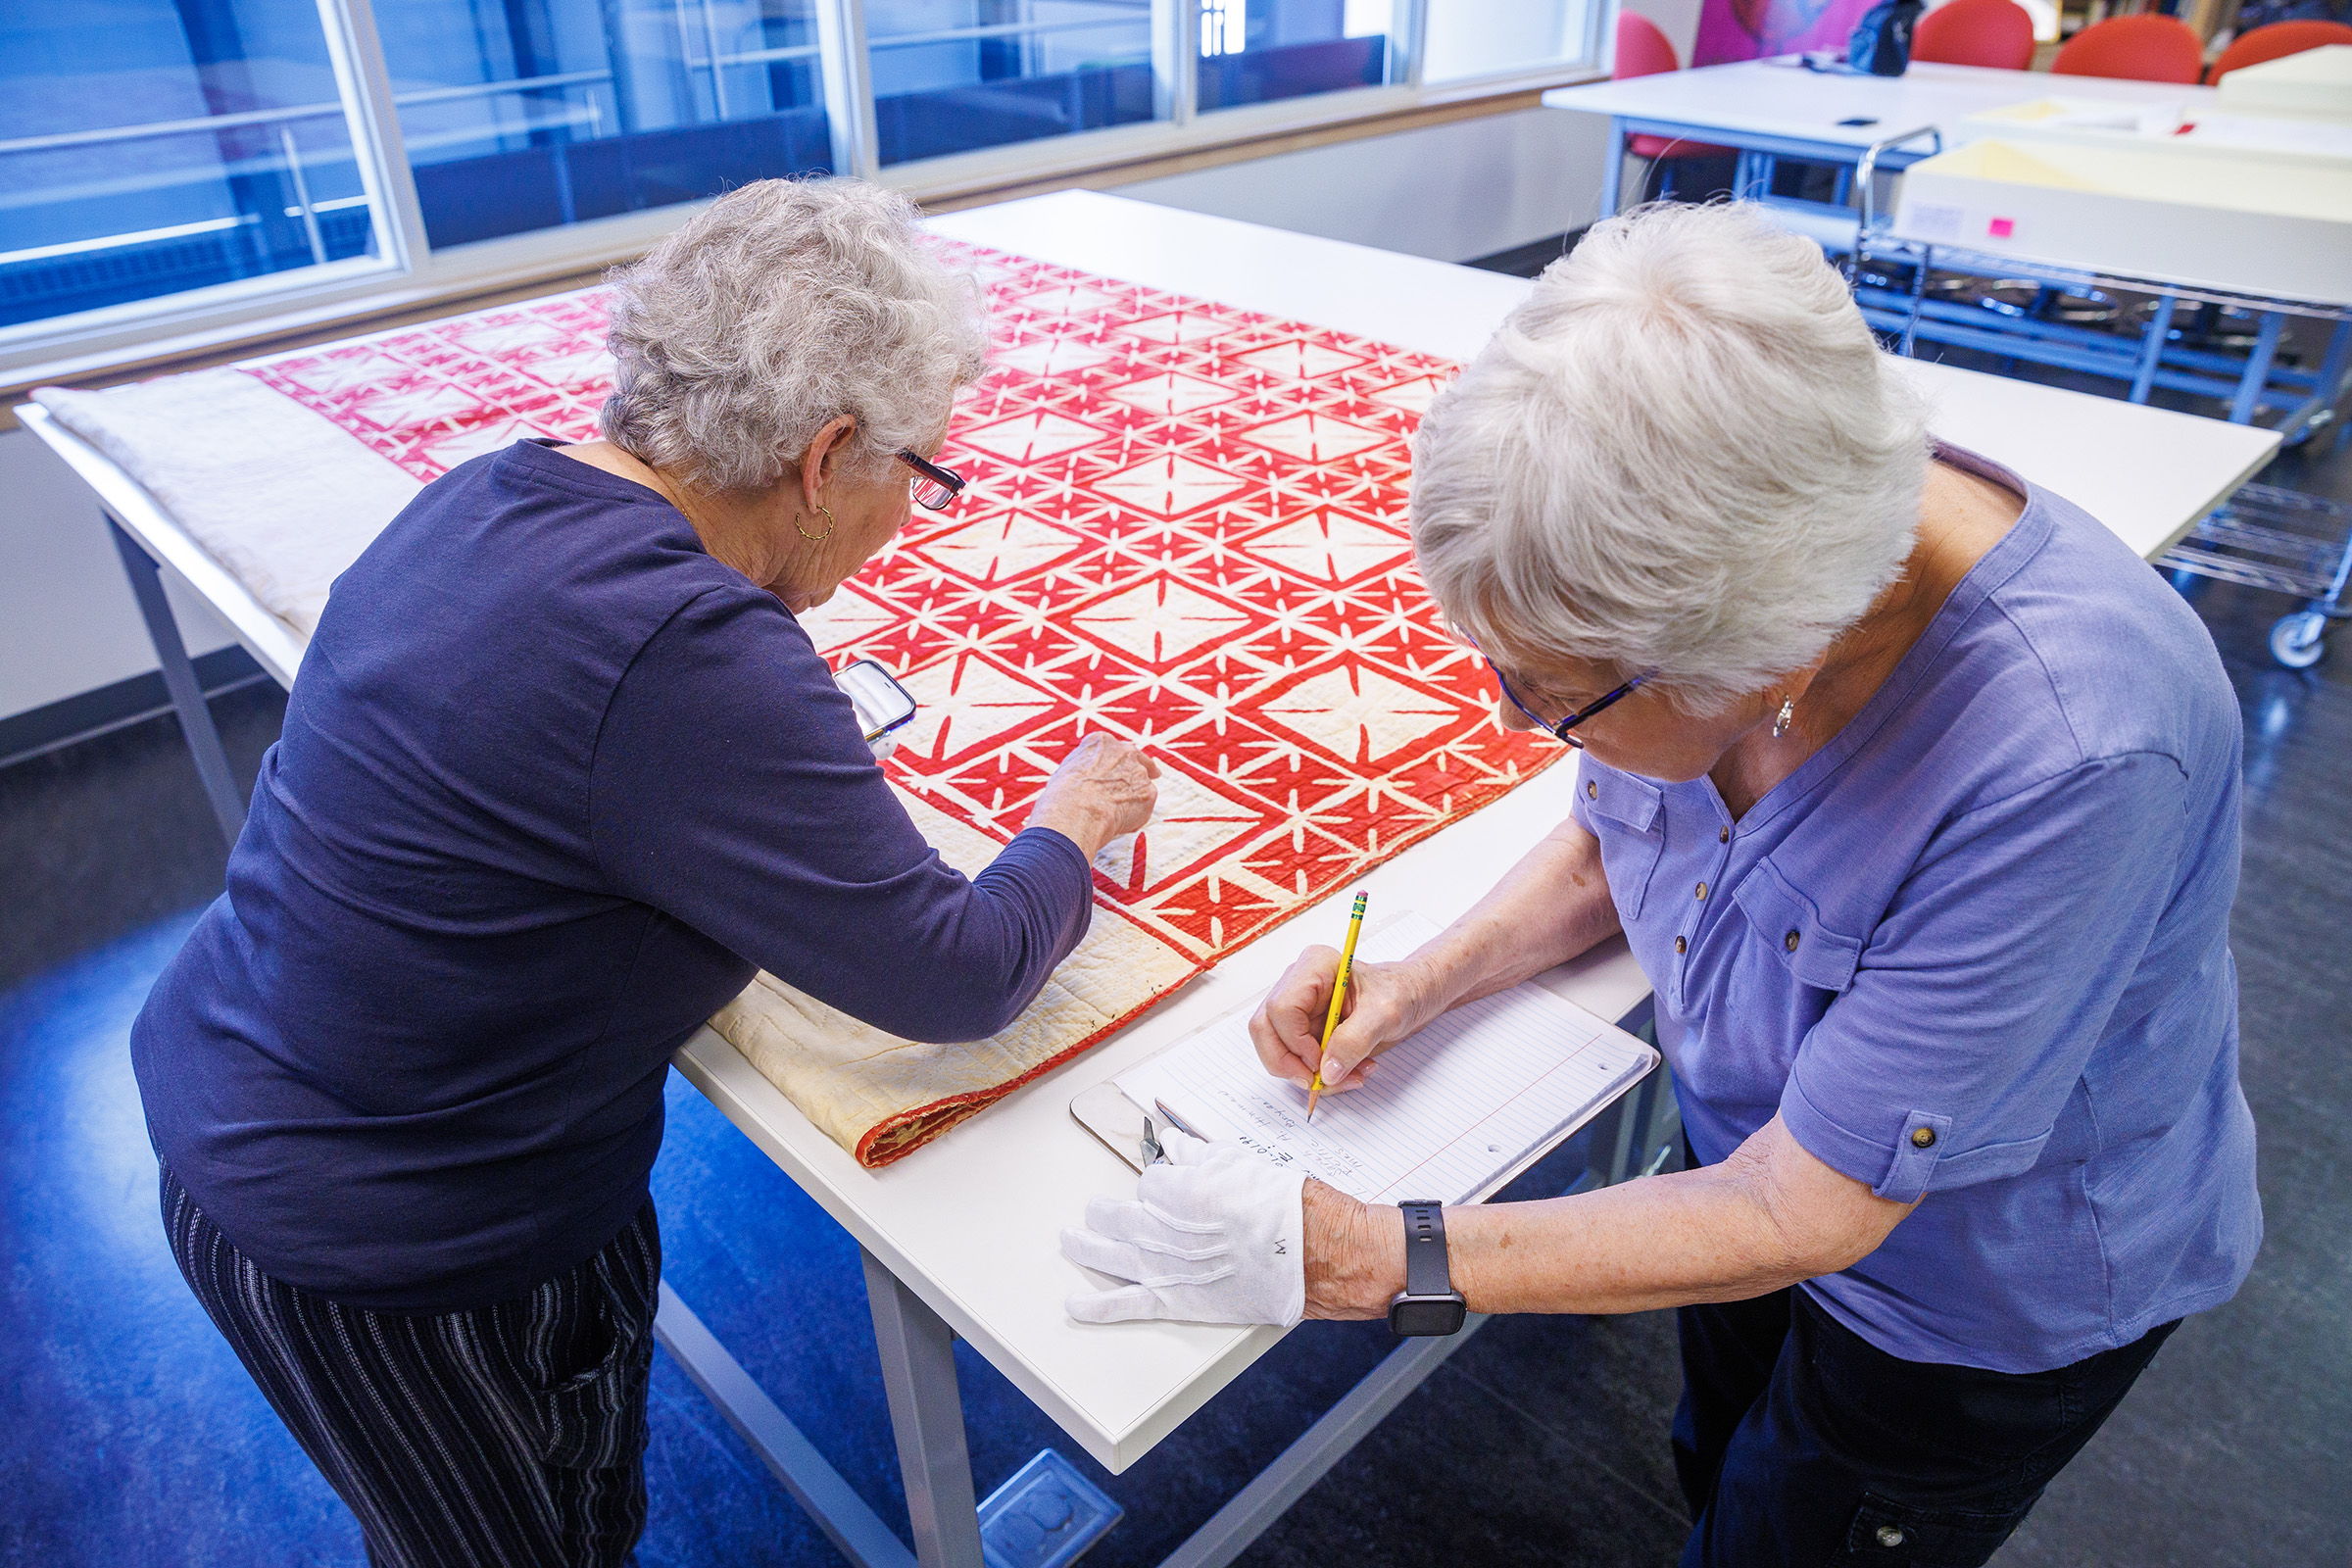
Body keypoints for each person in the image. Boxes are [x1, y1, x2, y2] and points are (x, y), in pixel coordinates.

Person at [1060, 201, 2258, 1567]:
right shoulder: (1732, 571)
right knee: (1724, 1457)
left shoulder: (2076, 752)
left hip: (1970, 1300)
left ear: (1770, 676)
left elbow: (1802, 1210)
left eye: (1552, 698)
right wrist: (1418, 978)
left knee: (1805, 1528)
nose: (1515, 723)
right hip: (1745, 1167)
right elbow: (1624, 832)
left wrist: (1366, 1254)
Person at [136, 177, 1157, 1568]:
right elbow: (956, 973)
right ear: (826, 454)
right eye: (918, 474)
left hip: (253, 1091)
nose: (905, 520)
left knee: (570, 1510)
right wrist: (1071, 823)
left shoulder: (488, 491)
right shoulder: (696, 653)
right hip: (386, 1236)